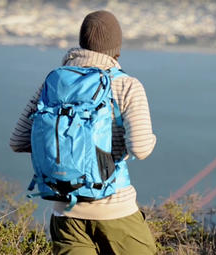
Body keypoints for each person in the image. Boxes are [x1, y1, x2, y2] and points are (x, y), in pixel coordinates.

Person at [9, 10, 158, 254]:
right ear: (116, 47)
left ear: (82, 43)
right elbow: (140, 148)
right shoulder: (127, 84)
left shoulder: (52, 83)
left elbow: (17, 141)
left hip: (64, 213)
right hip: (115, 208)